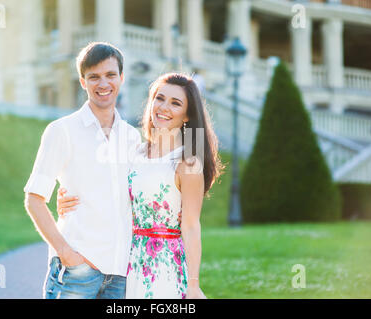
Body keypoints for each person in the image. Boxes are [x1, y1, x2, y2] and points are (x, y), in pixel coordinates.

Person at [58, 73, 223, 299]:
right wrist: (67, 198)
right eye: (160, 98)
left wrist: (193, 285)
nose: (164, 107)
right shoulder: (134, 151)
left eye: (176, 103)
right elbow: (107, 191)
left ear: (187, 116)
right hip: (127, 261)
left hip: (165, 266)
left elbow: (192, 226)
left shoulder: (188, 162)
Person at [24, 42, 142, 299]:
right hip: (78, 271)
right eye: (94, 77)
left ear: (121, 78)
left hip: (121, 273)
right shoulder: (62, 130)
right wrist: (66, 253)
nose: (103, 84)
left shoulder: (132, 137)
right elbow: (34, 199)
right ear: (82, 82)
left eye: (110, 75)